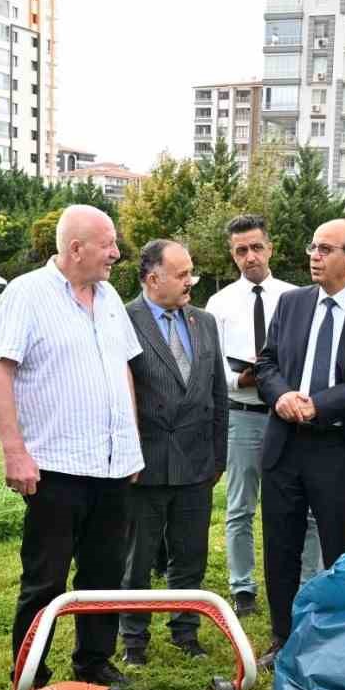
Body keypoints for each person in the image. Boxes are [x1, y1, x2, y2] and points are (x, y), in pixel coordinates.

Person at [0, 205, 143, 688]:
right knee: (45, 581)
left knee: (103, 576)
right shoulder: (26, 294)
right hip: (55, 467)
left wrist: (131, 442)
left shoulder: (111, 296)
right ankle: (30, 673)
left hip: (113, 467)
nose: (117, 253)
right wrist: (15, 452)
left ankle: (93, 663)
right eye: (108, 244)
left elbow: (123, 370)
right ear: (76, 249)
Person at [255, 218, 345, 666]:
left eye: (325, 249)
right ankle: (283, 639)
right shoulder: (292, 303)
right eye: (312, 247)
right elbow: (266, 364)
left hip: (337, 449)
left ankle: (337, 641)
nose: (314, 256)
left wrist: (321, 404)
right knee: (280, 545)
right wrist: (280, 397)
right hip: (286, 444)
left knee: (339, 548)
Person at [203, 214, 322, 617]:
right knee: (239, 506)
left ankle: (309, 582)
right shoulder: (218, 305)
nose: (250, 257)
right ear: (232, 255)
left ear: (270, 248)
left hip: (289, 416)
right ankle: (243, 587)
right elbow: (213, 365)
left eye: (256, 247)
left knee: (304, 505)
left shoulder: (297, 297)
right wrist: (243, 380)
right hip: (243, 414)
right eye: (241, 250)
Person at [121, 240, 228, 664]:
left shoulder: (204, 322)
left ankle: (186, 633)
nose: (191, 282)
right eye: (182, 275)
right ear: (153, 279)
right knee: (137, 559)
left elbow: (217, 391)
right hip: (143, 465)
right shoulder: (123, 320)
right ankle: (134, 641)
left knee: (190, 555)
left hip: (196, 462)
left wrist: (217, 457)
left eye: (190, 272)